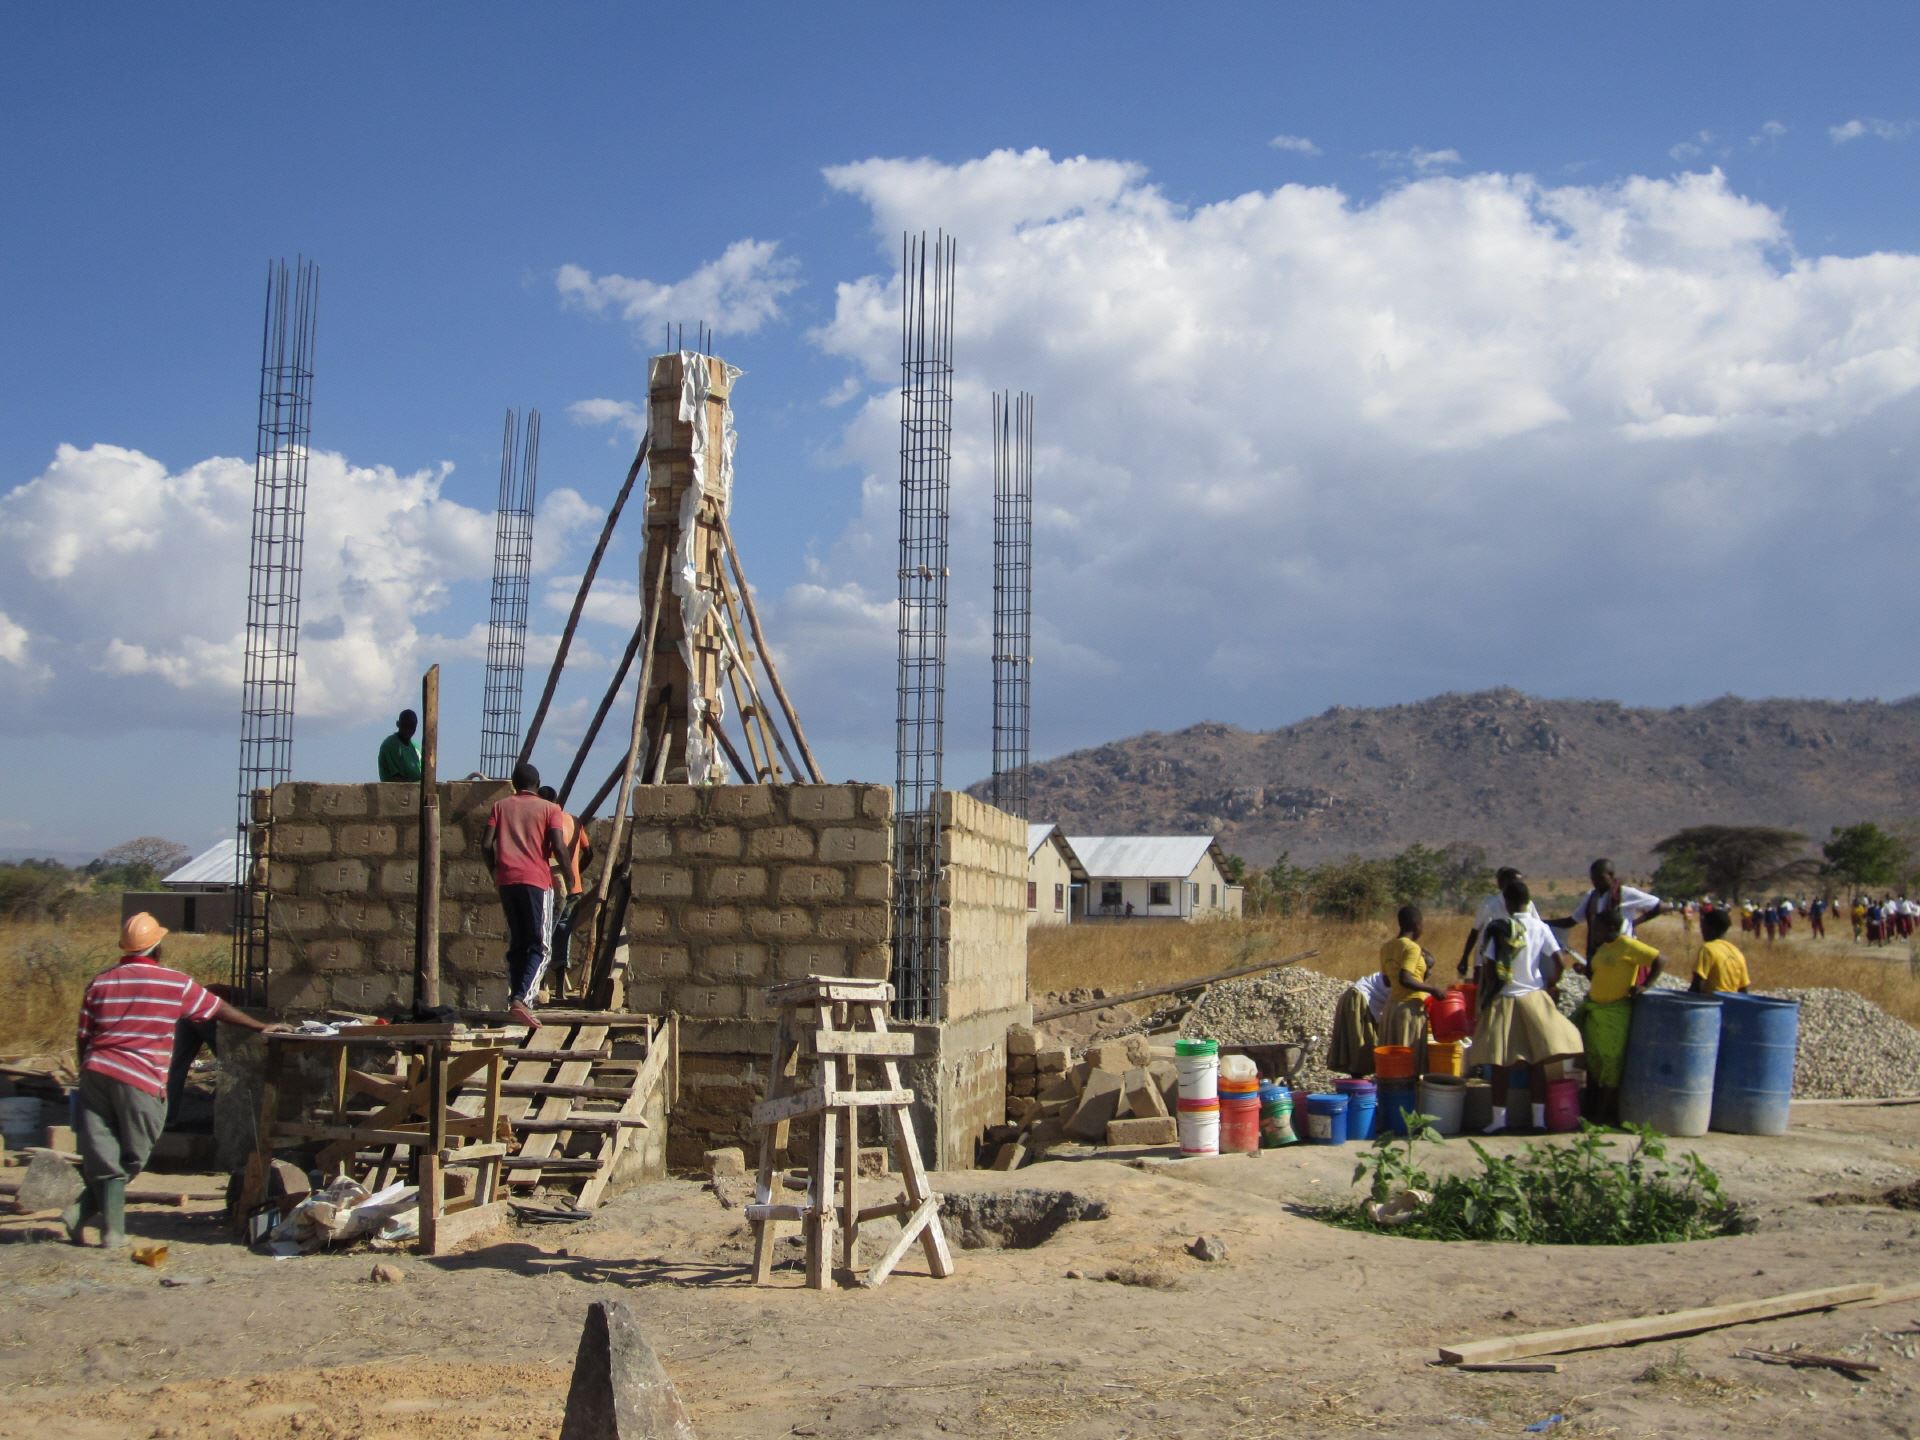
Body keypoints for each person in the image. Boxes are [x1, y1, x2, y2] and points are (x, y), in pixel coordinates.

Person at [67, 913, 284, 1246]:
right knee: (134, 1156)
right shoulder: (173, 983)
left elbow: (84, 1035)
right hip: (139, 1077)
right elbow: (216, 1008)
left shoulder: (100, 982)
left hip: (96, 1072)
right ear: (157, 947)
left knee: (104, 1153)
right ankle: (104, 1226)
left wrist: (86, 1072)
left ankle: (89, 1220)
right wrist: (260, 1026)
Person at [1473, 878, 1584, 1135]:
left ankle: (1499, 1122)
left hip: (1505, 999)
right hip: (1534, 998)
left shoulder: (1500, 927)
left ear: (1507, 902)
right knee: (1537, 1062)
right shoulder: (1540, 927)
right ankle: (1539, 1121)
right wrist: (1550, 984)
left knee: (1500, 1063)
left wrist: (1490, 990)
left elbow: (1489, 966)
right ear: (1528, 901)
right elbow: (1559, 962)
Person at [483, 762, 567, 1027]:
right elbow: (558, 845)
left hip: (507, 880)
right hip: (536, 882)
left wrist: (494, 870)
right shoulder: (550, 809)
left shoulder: (500, 806)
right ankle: (523, 999)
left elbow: (486, 844)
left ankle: (515, 996)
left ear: (514, 784)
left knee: (519, 942)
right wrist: (570, 876)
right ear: (537, 784)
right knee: (541, 945)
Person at [1576, 909, 1662, 1125]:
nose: (1594, 932)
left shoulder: (1627, 945)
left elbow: (1660, 959)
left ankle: (1604, 1114)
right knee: (1594, 1059)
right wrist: (1584, 971)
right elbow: (1599, 975)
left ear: (1612, 928)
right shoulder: (1603, 948)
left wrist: (1644, 985)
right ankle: (1590, 1109)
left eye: (1598, 928)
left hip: (1615, 1011)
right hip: (1596, 1010)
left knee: (1611, 1060)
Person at [537, 784, 594, 993]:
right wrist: (575, 874)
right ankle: (559, 986)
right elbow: (589, 852)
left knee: (544, 931)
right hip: (573, 888)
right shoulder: (574, 821)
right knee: (563, 932)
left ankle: (540, 982)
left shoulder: (546, 822)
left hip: (550, 885)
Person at [1554, 858, 1662, 958]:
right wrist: (1544, 923)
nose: (1596, 882)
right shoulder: (1591, 896)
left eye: (1600, 878)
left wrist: (1634, 923)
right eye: (1593, 879)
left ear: (1611, 875)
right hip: (1598, 951)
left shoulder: (1625, 893)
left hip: (1622, 950)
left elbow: (1659, 906)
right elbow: (1571, 921)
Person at [1381, 905, 1447, 1048]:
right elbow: (1405, 979)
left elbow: (1387, 981)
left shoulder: (1387, 947)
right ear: (1417, 925)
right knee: (1409, 1056)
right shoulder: (1412, 948)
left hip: (1391, 1009)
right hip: (1409, 1010)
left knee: (1393, 1057)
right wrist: (1433, 989)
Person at [1457, 866, 1528, 977]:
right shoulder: (1489, 904)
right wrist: (1465, 957)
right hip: (1485, 961)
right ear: (1503, 884)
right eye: (1515, 882)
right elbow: (1475, 931)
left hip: (1516, 962)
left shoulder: (1528, 905)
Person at [1327, 970, 1389, 1078]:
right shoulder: (1405, 977)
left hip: (1359, 999)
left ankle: (1359, 1082)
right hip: (1359, 1000)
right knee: (1360, 1042)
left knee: (1365, 1041)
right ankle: (1358, 1084)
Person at [1690, 906, 1751, 994]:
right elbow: (1743, 990)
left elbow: (1696, 984)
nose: (1702, 930)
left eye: (1703, 926)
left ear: (1711, 928)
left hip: (1713, 1000)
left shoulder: (1708, 949)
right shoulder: (1737, 952)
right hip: (1732, 1001)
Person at [378, 709, 422, 782]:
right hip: (396, 789)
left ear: (416, 726)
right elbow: (397, 779)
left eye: (412, 726)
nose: (408, 729)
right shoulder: (390, 745)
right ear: (398, 724)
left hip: (418, 788)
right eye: (405, 725)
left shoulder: (416, 747)